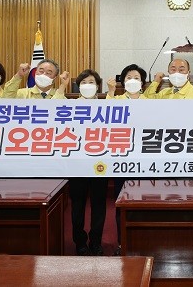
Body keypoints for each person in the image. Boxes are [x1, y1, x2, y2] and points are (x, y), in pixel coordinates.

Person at [106, 63, 149, 256]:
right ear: (123, 82)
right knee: (122, 203)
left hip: (146, 161)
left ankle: (144, 241)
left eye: (136, 78)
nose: (133, 81)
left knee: (144, 202)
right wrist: (110, 92)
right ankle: (122, 243)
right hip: (122, 160)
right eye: (129, 78)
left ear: (142, 83)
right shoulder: (115, 100)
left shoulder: (152, 102)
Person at [69, 69, 108, 256]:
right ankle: (80, 242)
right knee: (77, 205)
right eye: (83, 82)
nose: (87, 85)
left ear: (98, 86)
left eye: (91, 82)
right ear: (78, 86)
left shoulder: (107, 106)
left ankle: (96, 242)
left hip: (101, 164)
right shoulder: (69, 107)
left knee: (99, 204)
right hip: (77, 164)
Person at [2, 59, 69, 99]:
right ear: (35, 72)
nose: (43, 74)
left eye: (48, 73)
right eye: (41, 71)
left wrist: (63, 85)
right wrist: (19, 75)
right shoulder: (22, 93)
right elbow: (6, 98)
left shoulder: (60, 95)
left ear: (54, 77)